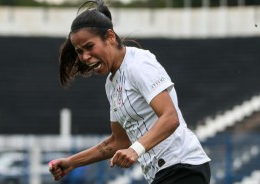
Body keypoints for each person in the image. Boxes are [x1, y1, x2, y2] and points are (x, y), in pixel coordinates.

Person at [48, 0, 211, 183]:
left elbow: (170, 117)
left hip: (183, 167)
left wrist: (136, 150)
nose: (85, 57)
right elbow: (119, 141)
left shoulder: (138, 64)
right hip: (165, 173)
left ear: (110, 36)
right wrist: (72, 162)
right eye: (79, 51)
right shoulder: (111, 84)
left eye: (89, 46)